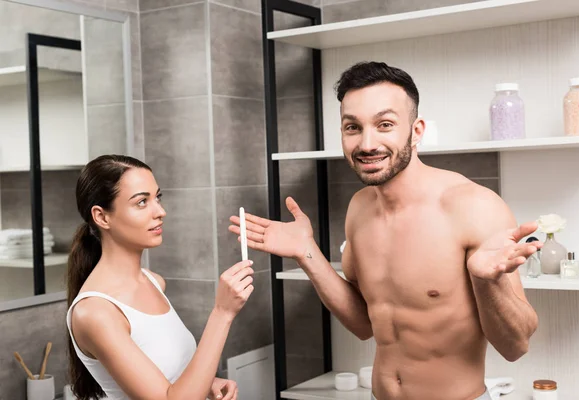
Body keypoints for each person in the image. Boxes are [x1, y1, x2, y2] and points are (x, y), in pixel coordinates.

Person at [228, 62, 542, 400]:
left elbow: (516, 346)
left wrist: (486, 282)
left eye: (385, 124)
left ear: (416, 130)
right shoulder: (360, 208)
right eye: (352, 127)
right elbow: (365, 325)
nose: (366, 143)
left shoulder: (473, 207)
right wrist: (307, 252)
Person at [66, 155, 255, 400]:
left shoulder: (154, 281)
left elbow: (166, 378)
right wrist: (222, 313)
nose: (161, 212)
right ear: (102, 217)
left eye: (158, 197)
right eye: (142, 202)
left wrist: (205, 382)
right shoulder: (95, 312)